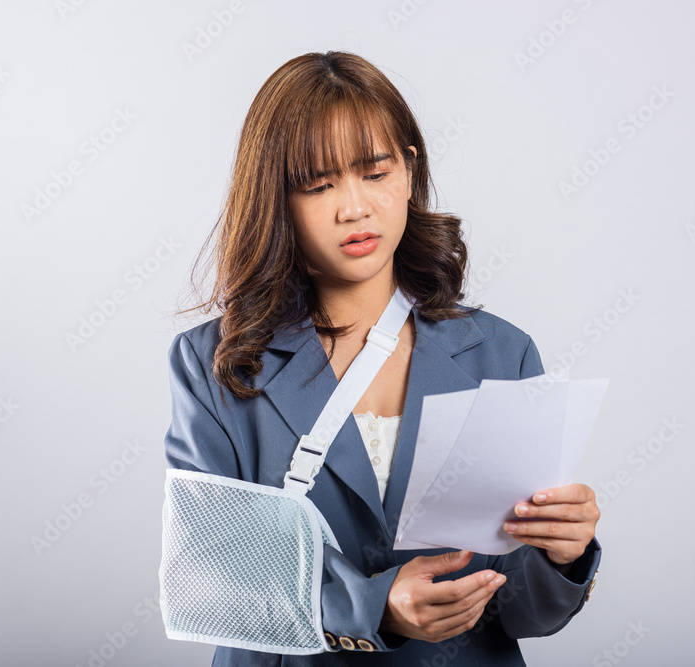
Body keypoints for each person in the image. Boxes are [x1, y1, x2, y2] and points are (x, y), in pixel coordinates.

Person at [163, 50, 601, 666]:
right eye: (318, 185)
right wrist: (372, 607)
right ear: (275, 198)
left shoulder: (502, 353)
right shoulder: (215, 363)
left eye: (375, 172)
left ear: (409, 170)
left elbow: (519, 612)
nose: (355, 207)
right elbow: (212, 579)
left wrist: (563, 554)